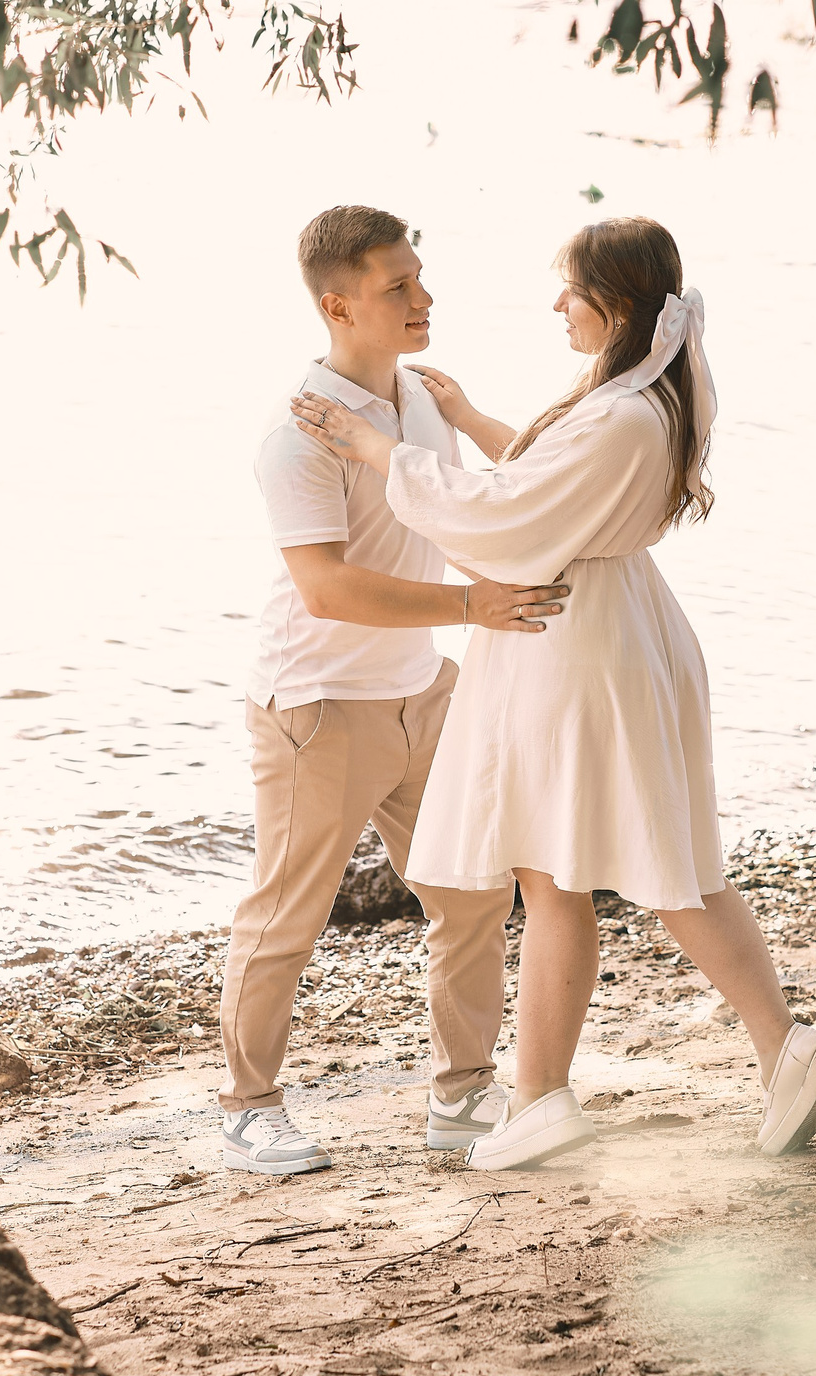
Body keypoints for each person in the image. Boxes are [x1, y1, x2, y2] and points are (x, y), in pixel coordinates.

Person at [288, 215, 816, 1172]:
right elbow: (557, 485)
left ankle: (769, 1046)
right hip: (612, 622)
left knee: (629, 863)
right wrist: (467, 421)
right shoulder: (647, 393)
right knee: (573, 869)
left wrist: (376, 449)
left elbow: (509, 516)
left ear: (618, 305)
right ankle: (547, 1093)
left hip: (574, 637)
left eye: (570, 290)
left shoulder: (626, 411)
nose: (556, 304)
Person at [218, 205, 577, 1176]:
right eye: (397, 289)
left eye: (419, 279)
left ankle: (462, 1097)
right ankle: (249, 1108)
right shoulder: (297, 437)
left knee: (470, 894)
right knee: (288, 913)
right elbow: (325, 587)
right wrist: (475, 602)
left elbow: (454, 509)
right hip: (318, 703)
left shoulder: (419, 398)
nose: (424, 299)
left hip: (424, 691)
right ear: (338, 307)